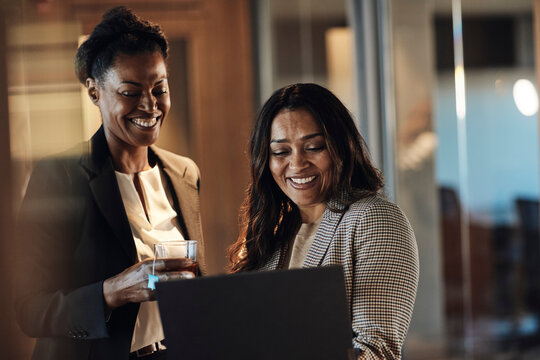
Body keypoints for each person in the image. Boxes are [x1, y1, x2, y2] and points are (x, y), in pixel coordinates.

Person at [15, 6, 205, 360]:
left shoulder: (184, 173)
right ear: (94, 92)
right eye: (130, 92)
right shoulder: (59, 177)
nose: (150, 105)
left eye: (159, 88)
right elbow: (29, 309)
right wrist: (112, 292)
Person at [228, 83, 419, 359]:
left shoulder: (374, 219)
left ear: (340, 147)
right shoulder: (274, 234)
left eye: (314, 147)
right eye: (281, 152)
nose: (297, 163)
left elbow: (377, 350)